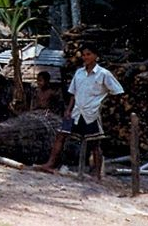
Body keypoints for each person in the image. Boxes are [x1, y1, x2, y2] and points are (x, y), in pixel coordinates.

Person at [35, 44, 124, 175]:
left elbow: (117, 91)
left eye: (88, 54)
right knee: (61, 135)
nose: (85, 57)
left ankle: (97, 174)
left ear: (95, 56)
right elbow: (73, 93)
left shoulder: (104, 74)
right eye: (83, 55)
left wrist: (102, 104)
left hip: (91, 113)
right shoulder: (79, 73)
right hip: (75, 112)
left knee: (94, 144)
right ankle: (50, 164)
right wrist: (68, 109)